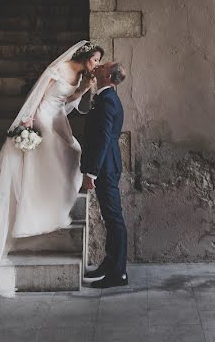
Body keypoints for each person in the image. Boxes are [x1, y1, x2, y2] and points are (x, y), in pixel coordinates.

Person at [0, 40, 103, 300]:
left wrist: (84, 89)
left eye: (99, 61)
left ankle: (54, 199)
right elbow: (39, 94)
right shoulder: (60, 68)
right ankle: (42, 202)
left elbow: (68, 101)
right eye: (96, 59)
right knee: (64, 152)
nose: (97, 64)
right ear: (87, 55)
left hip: (59, 117)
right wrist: (29, 119)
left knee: (74, 151)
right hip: (44, 115)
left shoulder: (81, 75)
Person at [79, 61, 128, 288]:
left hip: (106, 166)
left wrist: (92, 172)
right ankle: (110, 263)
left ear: (108, 76)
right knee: (110, 218)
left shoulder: (108, 100)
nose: (96, 68)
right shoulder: (104, 97)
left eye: (101, 67)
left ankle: (119, 274)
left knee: (114, 218)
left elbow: (104, 139)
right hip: (106, 164)